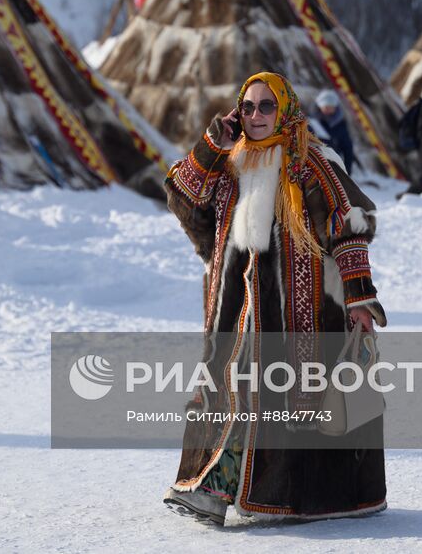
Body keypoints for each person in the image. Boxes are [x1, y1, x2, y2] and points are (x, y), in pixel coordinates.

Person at [161, 71, 387, 527]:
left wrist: (359, 296)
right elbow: (183, 199)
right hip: (236, 304)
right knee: (230, 388)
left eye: (267, 106)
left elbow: (349, 226)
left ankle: (228, 492)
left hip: (300, 310)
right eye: (248, 106)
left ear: (284, 108)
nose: (257, 115)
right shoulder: (229, 162)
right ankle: (212, 488)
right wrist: (210, 145)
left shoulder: (311, 162)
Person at [310, 89, 356, 175]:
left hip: (334, 165)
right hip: (315, 166)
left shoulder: (340, 125)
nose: (328, 109)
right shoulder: (311, 123)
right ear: (319, 106)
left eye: (331, 106)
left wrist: (347, 171)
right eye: (325, 106)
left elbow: (347, 148)